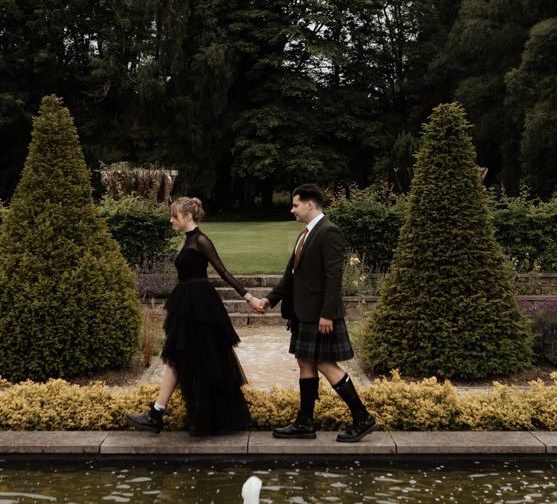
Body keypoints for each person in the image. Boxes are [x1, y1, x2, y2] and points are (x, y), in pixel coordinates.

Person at [125, 196, 263, 435]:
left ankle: (160, 414)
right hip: (189, 304)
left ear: (188, 216)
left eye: (174, 216)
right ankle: (158, 413)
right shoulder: (190, 240)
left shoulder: (200, 240)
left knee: (193, 358)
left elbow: (222, 271)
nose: (171, 220)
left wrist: (248, 297)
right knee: (179, 357)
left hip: (199, 306)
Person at [257, 183, 377, 442]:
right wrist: (269, 300)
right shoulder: (305, 235)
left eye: (295, 204)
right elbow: (291, 275)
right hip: (303, 313)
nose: (292, 210)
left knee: (324, 363)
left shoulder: (328, 232)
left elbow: (334, 276)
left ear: (309, 204)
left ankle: (362, 417)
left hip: (319, 315)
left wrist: (327, 314)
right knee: (305, 362)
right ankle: (305, 423)